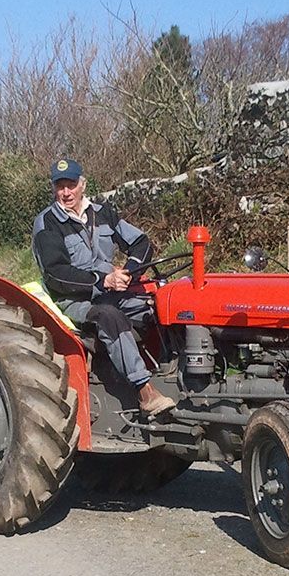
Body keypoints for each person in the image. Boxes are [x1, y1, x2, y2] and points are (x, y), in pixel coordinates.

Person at [32, 158, 176, 415]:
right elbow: (56, 274)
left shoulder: (103, 213)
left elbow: (141, 242)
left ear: (82, 185)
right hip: (73, 300)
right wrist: (102, 280)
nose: (66, 192)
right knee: (109, 317)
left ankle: (174, 369)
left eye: (71, 185)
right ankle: (144, 391)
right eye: (60, 186)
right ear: (53, 188)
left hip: (111, 293)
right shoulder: (47, 223)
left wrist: (129, 272)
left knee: (156, 306)